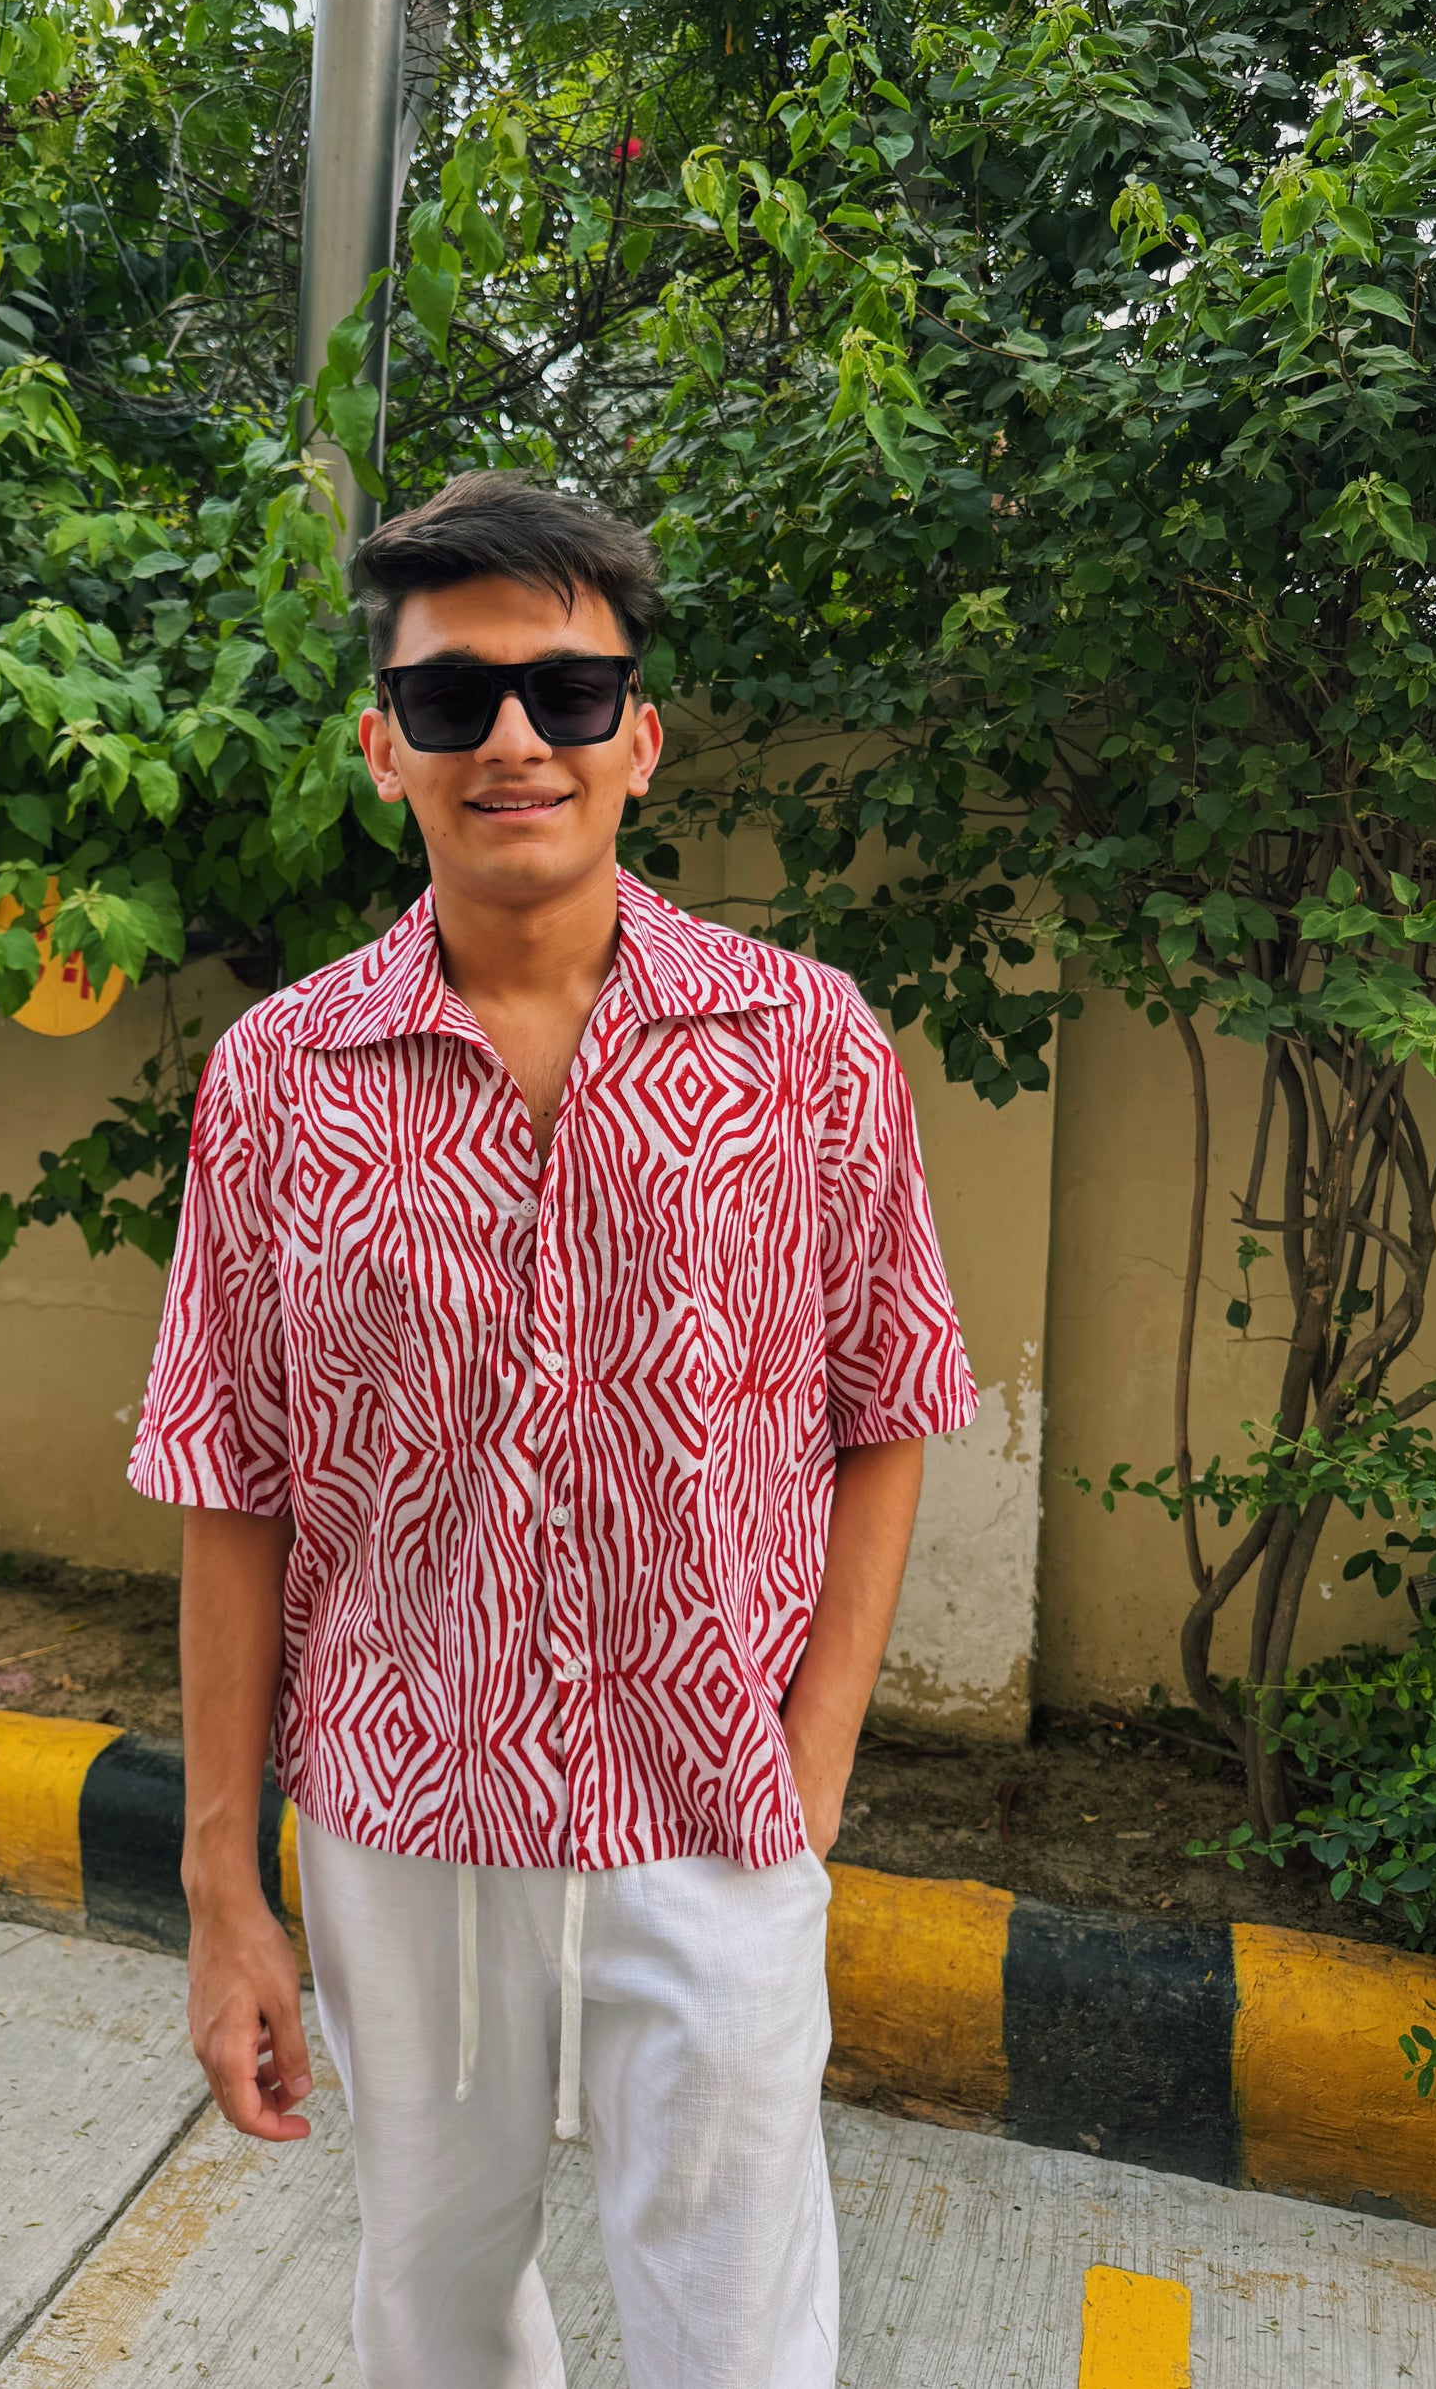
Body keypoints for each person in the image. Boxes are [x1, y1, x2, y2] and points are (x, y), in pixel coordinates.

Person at [128, 470, 977, 2389]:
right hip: (400, 1820)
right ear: (386, 748)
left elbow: (890, 1398)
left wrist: (816, 1761)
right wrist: (222, 1889)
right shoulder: (278, 1079)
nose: (512, 738)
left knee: (735, 2328)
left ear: (638, 739)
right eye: (452, 698)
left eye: (567, 692)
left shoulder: (801, 1046)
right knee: (434, 2306)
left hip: (714, 1808)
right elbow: (227, 1481)